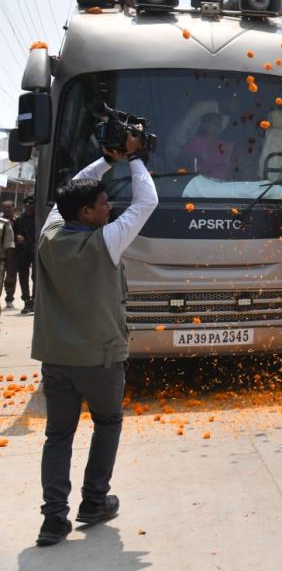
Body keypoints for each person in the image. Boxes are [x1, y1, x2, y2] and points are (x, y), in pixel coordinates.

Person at [32, 130, 158, 546]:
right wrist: (135, 158)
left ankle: (53, 519)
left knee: (58, 436)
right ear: (87, 213)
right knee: (107, 423)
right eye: (104, 204)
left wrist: (107, 160)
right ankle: (94, 501)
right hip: (101, 360)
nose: (111, 208)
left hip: (56, 360)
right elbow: (147, 202)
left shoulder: (49, 235)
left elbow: (66, 194)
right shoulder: (105, 241)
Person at [175, 112, 232, 179]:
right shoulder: (195, 142)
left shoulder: (227, 145)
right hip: (201, 184)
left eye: (219, 124)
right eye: (214, 124)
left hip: (224, 185)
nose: (217, 126)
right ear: (204, 126)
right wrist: (192, 158)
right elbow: (180, 162)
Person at [15, 198, 36, 313]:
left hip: (36, 249)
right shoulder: (20, 218)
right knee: (23, 276)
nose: (28, 205)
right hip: (23, 251)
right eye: (26, 203)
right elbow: (14, 232)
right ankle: (26, 300)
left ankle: (34, 299)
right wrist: (18, 237)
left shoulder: (39, 218)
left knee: (36, 276)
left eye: (31, 203)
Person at [0, 200, 16, 308]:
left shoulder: (7, 223)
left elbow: (10, 246)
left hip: (10, 255)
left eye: (8, 208)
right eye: (4, 208)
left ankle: (9, 298)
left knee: (11, 276)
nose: (6, 210)